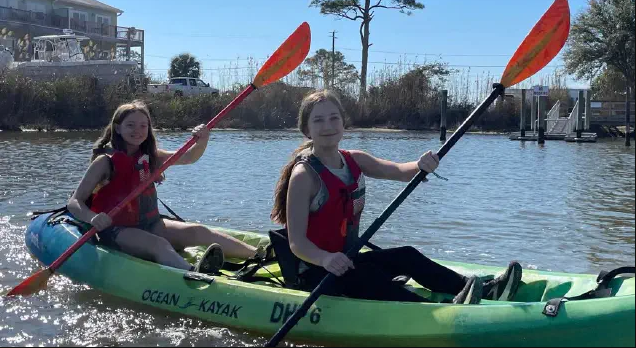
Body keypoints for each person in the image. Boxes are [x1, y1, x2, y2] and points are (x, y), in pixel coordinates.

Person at [270, 90, 522, 304]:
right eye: (319, 121)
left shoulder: (354, 159)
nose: (328, 126)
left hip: (348, 259)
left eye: (334, 118)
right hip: (316, 271)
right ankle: (440, 311)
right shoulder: (304, 176)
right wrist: (325, 258)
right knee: (372, 279)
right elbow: (297, 244)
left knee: (406, 255)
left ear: (343, 124)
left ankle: (483, 290)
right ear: (306, 130)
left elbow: (399, 171)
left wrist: (422, 164)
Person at [67, 100, 257, 274]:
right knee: (159, 245)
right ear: (118, 128)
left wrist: (203, 139)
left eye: (143, 125)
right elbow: (74, 202)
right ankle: (194, 273)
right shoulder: (104, 162)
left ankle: (258, 254)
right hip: (117, 230)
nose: (138, 130)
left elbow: (189, 157)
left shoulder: (151, 156)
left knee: (199, 231)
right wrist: (92, 218)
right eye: (130, 125)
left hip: (151, 224)